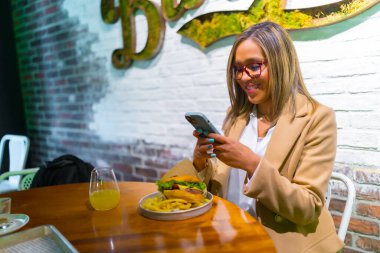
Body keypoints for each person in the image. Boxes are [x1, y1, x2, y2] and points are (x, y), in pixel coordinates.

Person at [166, 21, 343, 253]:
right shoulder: (237, 115)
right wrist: (200, 161)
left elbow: (307, 207)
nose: (244, 77)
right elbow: (220, 183)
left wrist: (251, 163)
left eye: (254, 66)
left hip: (281, 243)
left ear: (281, 63)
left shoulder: (317, 118)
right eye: (238, 68)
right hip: (230, 234)